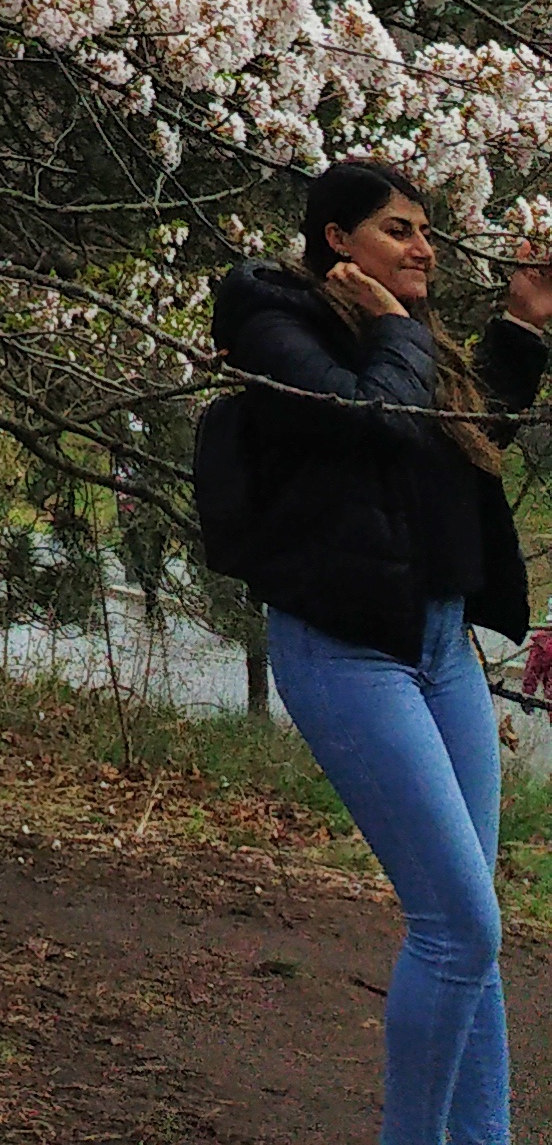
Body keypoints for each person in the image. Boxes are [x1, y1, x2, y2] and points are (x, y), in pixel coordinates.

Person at [213, 158, 552, 1145]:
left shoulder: (414, 340)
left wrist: (523, 324)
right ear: (336, 240)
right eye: (401, 229)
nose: (426, 247)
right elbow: (373, 418)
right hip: (346, 651)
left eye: (426, 231)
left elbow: (458, 430)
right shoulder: (273, 323)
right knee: (462, 926)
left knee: (468, 936)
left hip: (441, 649)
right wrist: (400, 334)